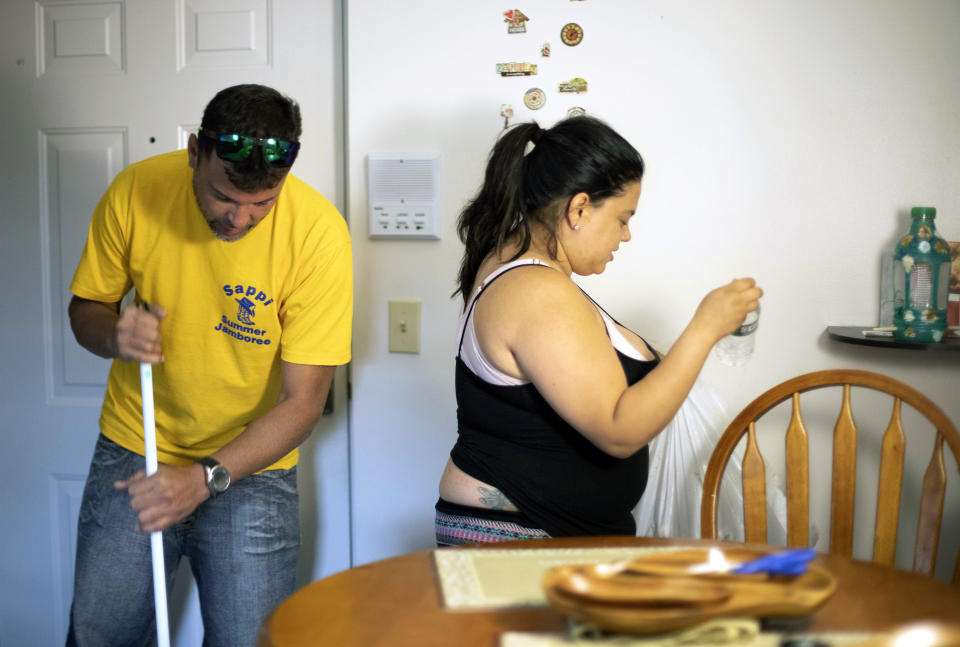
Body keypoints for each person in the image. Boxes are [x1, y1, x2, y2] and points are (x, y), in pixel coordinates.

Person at [65, 84, 353, 646]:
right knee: (101, 634)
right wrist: (115, 333)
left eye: (262, 204)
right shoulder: (136, 190)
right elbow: (86, 311)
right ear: (196, 151)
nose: (241, 219)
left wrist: (204, 479)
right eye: (225, 197)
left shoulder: (318, 234)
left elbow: (303, 403)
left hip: (253, 466)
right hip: (138, 444)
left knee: (250, 640)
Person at [436, 116, 761, 544]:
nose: (626, 235)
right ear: (579, 208)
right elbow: (618, 430)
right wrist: (704, 328)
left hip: (542, 531)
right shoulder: (535, 291)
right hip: (519, 536)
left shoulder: (520, 268)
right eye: (623, 218)